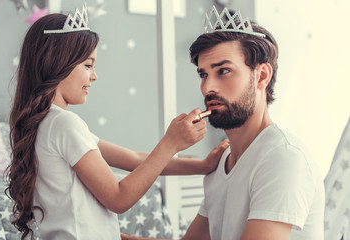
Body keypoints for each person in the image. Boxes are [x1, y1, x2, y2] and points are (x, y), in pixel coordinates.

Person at [5, 4, 229, 240]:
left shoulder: (46, 124)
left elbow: (136, 160)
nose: (94, 75)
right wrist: (171, 143)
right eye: (88, 65)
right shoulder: (64, 124)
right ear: (57, 63)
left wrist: (203, 165)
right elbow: (118, 199)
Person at [123, 6, 325, 240]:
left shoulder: (283, 158)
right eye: (203, 74)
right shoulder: (221, 164)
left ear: (262, 76)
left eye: (224, 71)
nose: (208, 87)